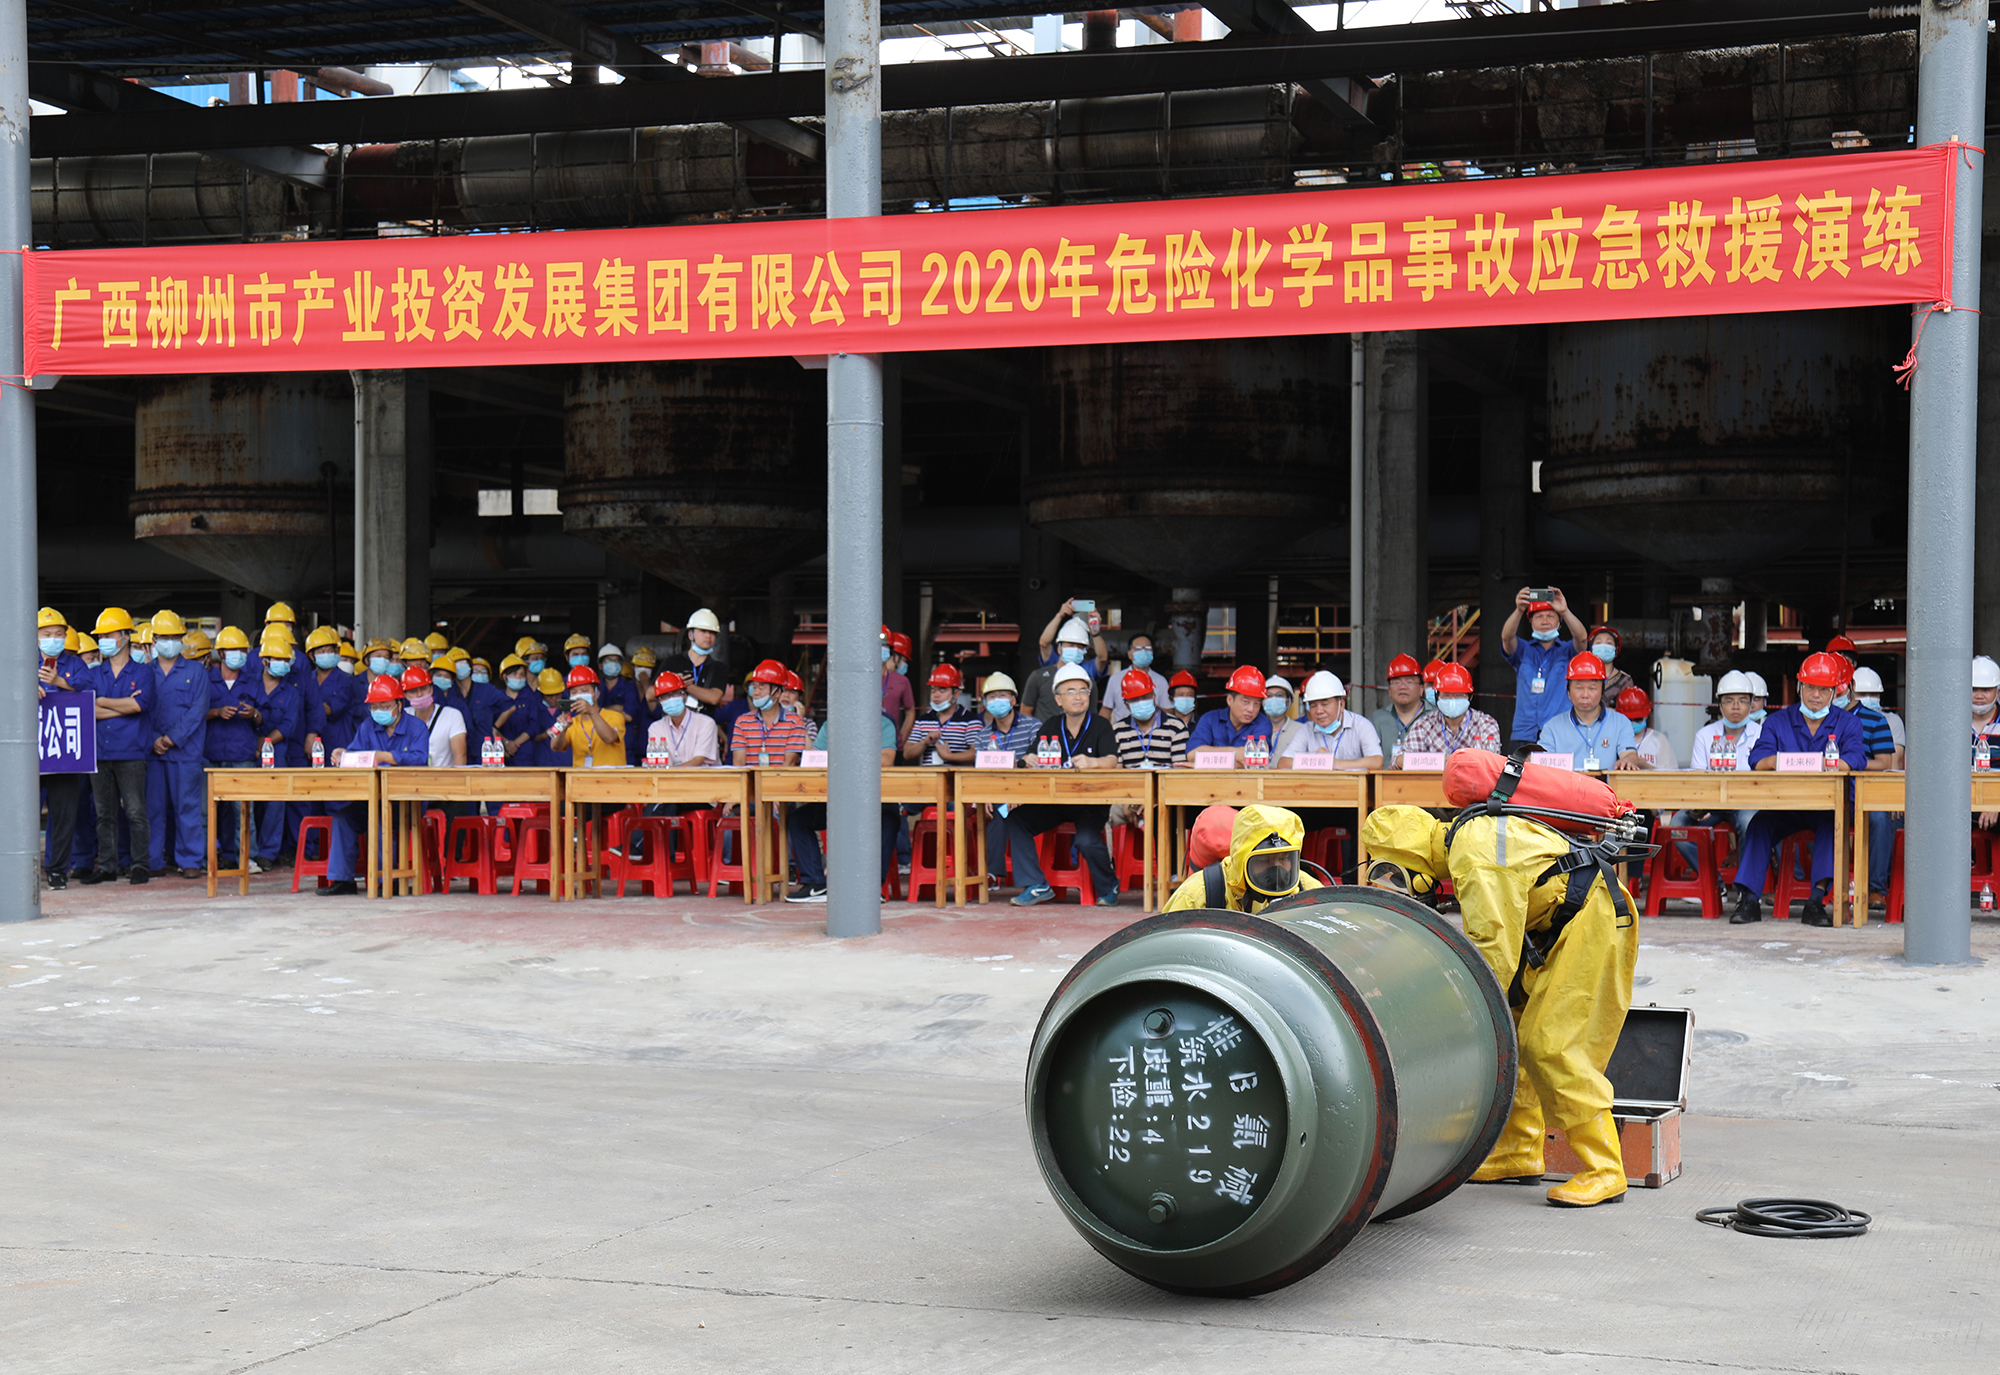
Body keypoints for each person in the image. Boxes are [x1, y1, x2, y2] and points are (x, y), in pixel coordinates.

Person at [1361, 802, 1638, 1208]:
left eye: (1395, 872)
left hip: (1592, 921)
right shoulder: (1467, 840)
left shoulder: (1473, 854)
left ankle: (1605, 1168)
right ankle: (1517, 1151)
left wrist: (1449, 1014)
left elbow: (1491, 952)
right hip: (1558, 925)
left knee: (1551, 1046)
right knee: (1517, 1027)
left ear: (1411, 858)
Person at [1727, 652, 1868, 927]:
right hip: (1786, 806)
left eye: (1824, 689)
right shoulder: (1778, 721)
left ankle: (1816, 901)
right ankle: (1749, 899)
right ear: (1799, 686)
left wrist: (1813, 762)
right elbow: (1758, 760)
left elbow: (1855, 759)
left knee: (1832, 825)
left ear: (1835, 692)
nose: (1816, 695)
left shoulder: (1848, 722)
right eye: (1810, 687)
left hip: (1828, 806)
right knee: (1758, 825)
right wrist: (1782, 761)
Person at [1007, 663, 1121, 907]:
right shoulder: (1050, 725)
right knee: (1015, 819)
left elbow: (1112, 760)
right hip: (1055, 802)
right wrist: (1029, 759)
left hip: (1090, 803)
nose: (1078, 697)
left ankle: (1108, 884)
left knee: (1085, 841)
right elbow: (1030, 757)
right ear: (1058, 699)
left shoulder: (1101, 725)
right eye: (1070, 692)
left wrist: (1094, 762)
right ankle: (1036, 884)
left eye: (1083, 691)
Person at [320, 674, 431, 895]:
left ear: (399, 705)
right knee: (343, 819)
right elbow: (356, 755)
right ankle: (343, 880)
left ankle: (386, 880)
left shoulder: (417, 727)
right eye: (374, 707)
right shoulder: (367, 727)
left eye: (385, 706)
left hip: (405, 801)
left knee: (380, 820)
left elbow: (419, 758)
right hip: (372, 798)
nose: (379, 711)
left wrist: (386, 756)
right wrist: (343, 754)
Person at [783, 712, 900, 904]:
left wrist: (840, 759)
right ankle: (815, 884)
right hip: (838, 797)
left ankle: (870, 888)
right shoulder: (831, 724)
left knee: (889, 817)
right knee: (798, 820)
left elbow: (886, 760)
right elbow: (814, 758)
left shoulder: (883, 723)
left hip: (872, 797)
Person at [82, 608, 151, 885]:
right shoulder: (94, 674)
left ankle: (140, 865)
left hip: (131, 751)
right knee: (104, 814)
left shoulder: (143, 672)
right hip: (100, 752)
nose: (104, 641)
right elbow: (89, 710)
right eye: (102, 636)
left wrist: (103, 702)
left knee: (135, 811)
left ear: (125, 636)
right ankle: (108, 867)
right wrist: (122, 705)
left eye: (109, 635)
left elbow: (140, 705)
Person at [1671, 669, 1763, 865]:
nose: (1736, 706)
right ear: (1720, 704)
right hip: (1711, 802)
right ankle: (1712, 878)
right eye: (1729, 701)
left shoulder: (1762, 734)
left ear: (1751, 704)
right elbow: (1698, 777)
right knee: (1677, 826)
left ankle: (1743, 883)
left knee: (1750, 823)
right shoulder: (1705, 735)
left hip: (1747, 803)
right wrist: (1699, 805)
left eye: (1742, 701)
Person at [1162, 804, 1321, 913]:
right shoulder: (1195, 898)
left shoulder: (1310, 891)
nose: (1276, 869)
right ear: (1241, 860)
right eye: (1264, 860)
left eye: (1284, 858)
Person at [147, 610, 211, 879]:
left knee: (187, 807)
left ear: (182, 639)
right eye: (164, 637)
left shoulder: (196, 671)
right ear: (154, 640)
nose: (169, 642)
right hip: (153, 753)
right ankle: (153, 860)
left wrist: (172, 738)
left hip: (185, 752)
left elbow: (198, 709)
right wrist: (153, 738)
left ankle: (190, 860)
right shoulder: (145, 672)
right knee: (154, 808)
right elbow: (140, 709)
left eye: (175, 637)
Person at [36, 608, 90, 887]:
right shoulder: (20, 660)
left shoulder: (75, 663)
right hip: (31, 754)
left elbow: (90, 690)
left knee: (64, 815)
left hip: (66, 751)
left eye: (58, 634)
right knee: (22, 814)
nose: (53, 639)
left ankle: (57, 870)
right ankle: (19, 869)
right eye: (46, 634)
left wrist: (60, 682)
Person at [1500, 587, 1591, 745]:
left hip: (1560, 732)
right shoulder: (1523, 649)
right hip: (1524, 732)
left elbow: (1582, 639)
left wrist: (1565, 611)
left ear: (1559, 621)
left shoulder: (1568, 650)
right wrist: (1519, 610)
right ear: (1530, 621)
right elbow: (1507, 638)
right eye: (1539, 617)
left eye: (1550, 616)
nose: (1545, 621)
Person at [251, 628, 304, 870]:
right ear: (264, 661)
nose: (283, 664)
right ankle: (248, 850)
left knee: (275, 803)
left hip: (277, 752)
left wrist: (265, 742)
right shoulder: (249, 684)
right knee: (249, 801)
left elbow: (288, 725)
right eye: (277, 659)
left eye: (286, 660)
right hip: (248, 750)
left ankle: (267, 853)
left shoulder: (291, 692)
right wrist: (255, 744)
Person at [1536, 653, 1639, 771]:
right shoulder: (1552, 727)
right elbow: (1541, 761)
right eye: (1579, 688)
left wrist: (1627, 761)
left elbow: (1630, 754)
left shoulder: (1620, 722)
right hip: (1567, 783)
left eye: (1592, 688)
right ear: (1568, 690)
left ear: (1602, 690)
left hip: (1606, 783)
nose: (1585, 695)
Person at [1279, 671, 1383, 769]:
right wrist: (1313, 760)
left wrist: (1337, 763)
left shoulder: (1361, 725)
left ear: (1341, 705)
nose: (1319, 711)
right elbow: (1283, 762)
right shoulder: (1306, 730)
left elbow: (1377, 761)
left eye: (1325, 704)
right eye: (1313, 706)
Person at [1401, 663, 1502, 756]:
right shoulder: (1423, 725)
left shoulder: (1485, 723)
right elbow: (1400, 760)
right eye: (1446, 695)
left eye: (1459, 695)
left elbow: (1492, 760)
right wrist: (1444, 760)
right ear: (1437, 697)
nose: (1452, 700)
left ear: (1470, 697)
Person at [730, 660, 813, 767]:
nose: (756, 693)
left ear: (777, 692)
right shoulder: (742, 722)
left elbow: (789, 764)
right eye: (754, 687)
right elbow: (738, 764)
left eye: (762, 687)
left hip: (781, 778)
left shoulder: (795, 722)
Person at [1187, 665, 1275, 763]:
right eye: (1246, 702)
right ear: (1230, 700)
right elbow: (1192, 754)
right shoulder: (1210, 719)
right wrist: (1236, 752)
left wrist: (1206, 759)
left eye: (1257, 704)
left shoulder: (1263, 724)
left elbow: (1256, 761)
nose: (1251, 709)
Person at [1020, 617, 1098, 722]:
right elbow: (1025, 711)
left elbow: (1092, 716)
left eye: (1080, 647)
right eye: (1070, 645)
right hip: (1043, 732)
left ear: (1085, 651)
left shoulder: (1088, 682)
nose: (1075, 649)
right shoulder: (1038, 677)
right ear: (1059, 648)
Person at [1112, 668, 1189, 770]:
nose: (1141, 702)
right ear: (1126, 704)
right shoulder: (1117, 731)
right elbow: (1117, 772)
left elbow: (1180, 769)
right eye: (1135, 699)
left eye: (1145, 697)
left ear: (1154, 697)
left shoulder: (1176, 727)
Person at [904, 664, 981, 766]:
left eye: (942, 690)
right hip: (930, 775)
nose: (936, 695)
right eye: (933, 690)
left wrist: (947, 756)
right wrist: (924, 742)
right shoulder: (922, 721)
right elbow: (907, 754)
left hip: (958, 775)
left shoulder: (971, 721)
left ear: (956, 694)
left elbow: (977, 754)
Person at [643, 672, 721, 766]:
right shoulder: (656, 728)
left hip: (701, 775)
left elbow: (698, 761)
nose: (671, 699)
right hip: (668, 775)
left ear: (685, 696)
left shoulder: (705, 723)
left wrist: (669, 771)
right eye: (665, 696)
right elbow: (659, 764)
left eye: (676, 693)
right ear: (660, 701)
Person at [1367, 654, 1433, 762]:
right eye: (1396, 682)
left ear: (1421, 689)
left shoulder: (1436, 717)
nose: (1402, 687)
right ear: (1389, 691)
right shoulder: (1377, 720)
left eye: (1409, 682)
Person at [554, 666, 622, 767]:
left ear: (597, 694)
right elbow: (555, 747)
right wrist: (562, 729)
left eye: (584, 690)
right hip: (581, 776)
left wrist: (592, 711)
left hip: (610, 776)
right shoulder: (571, 722)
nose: (579, 695)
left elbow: (609, 738)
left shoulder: (615, 716)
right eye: (574, 692)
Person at [405, 663, 468, 767]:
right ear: (405, 695)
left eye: (423, 689)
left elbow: (460, 756)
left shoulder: (452, 715)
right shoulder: (403, 716)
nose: (419, 694)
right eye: (413, 691)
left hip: (443, 776)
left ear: (431, 689)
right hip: (410, 776)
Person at [595, 643, 647, 764]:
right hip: (598, 743)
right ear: (600, 666)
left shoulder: (629, 687)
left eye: (616, 661)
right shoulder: (596, 687)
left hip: (625, 744)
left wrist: (600, 712)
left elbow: (628, 716)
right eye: (609, 660)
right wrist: (617, 708)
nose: (613, 664)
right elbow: (590, 713)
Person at [1105, 630, 1169, 725]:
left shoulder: (1161, 680)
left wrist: (1150, 706)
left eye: (1148, 648)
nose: (1143, 651)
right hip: (1122, 731)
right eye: (1138, 648)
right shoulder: (1115, 679)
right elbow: (1106, 710)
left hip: (1154, 731)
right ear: (1129, 654)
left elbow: (1169, 711)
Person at [1616, 687, 1679, 769]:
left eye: (1638, 719)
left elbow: (1671, 772)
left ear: (1647, 715)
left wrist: (1646, 766)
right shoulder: (1613, 738)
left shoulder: (1658, 739)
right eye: (1628, 720)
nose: (1633, 723)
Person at [1850, 667, 1904, 760]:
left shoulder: (1892, 721)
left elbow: (1893, 763)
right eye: (1862, 694)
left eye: (1874, 694)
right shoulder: (1842, 719)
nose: (1869, 698)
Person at [879, 627, 917, 746]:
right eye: (903, 661)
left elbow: (910, 712)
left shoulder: (901, 682)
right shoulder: (859, 679)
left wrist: (899, 742)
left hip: (890, 746)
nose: (904, 666)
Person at [1587, 624, 1636, 703]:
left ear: (1616, 649)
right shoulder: (1582, 677)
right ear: (1591, 649)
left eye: (1609, 643)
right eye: (1598, 643)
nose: (1603, 647)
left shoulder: (1625, 680)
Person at [1263, 676, 1306, 756]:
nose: (1274, 699)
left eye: (1279, 695)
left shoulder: (1301, 730)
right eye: (1269, 696)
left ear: (1288, 701)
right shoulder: (1255, 729)